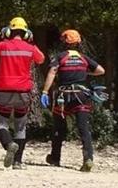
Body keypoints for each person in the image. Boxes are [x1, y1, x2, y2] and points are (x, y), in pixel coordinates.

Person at [0, 17, 45, 169]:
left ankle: (9, 144)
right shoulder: (29, 48)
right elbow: (42, 59)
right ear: (26, 33)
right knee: (20, 126)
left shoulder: (3, 45)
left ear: (8, 31)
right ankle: (18, 162)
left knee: (1, 123)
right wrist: (31, 42)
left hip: (3, 89)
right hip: (23, 91)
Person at [41, 29, 105, 172]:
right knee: (83, 128)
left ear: (64, 42)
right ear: (78, 43)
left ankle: (55, 158)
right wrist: (85, 72)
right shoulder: (84, 58)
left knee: (59, 127)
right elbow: (101, 70)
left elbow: (52, 72)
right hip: (81, 96)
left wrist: (45, 91)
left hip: (64, 96)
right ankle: (88, 158)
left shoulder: (60, 57)